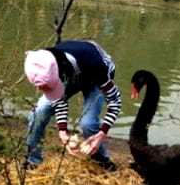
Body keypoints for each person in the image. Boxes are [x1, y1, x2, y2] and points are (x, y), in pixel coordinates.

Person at [24, 40, 121, 171]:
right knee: (38, 112)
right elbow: (59, 99)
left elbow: (115, 101)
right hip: (69, 74)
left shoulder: (96, 65)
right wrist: (62, 131)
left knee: (88, 123)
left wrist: (102, 133)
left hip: (95, 77)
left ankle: (101, 160)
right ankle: (33, 161)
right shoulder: (47, 63)